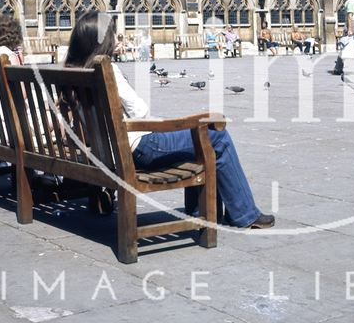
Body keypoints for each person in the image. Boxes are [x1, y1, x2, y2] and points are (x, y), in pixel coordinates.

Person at [64, 12, 274, 229]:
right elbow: (140, 111)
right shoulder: (105, 68)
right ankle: (244, 214)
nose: (116, 39)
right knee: (215, 134)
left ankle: (199, 212)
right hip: (139, 149)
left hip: (108, 152)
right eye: (113, 35)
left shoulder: (72, 72)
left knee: (195, 138)